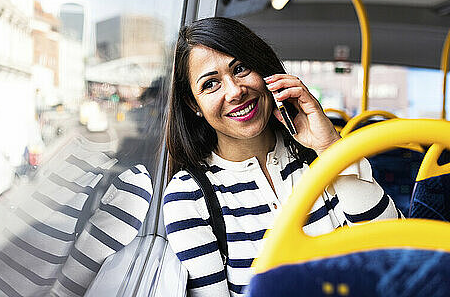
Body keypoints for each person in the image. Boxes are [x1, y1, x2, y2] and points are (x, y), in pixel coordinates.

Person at [162, 17, 401, 297]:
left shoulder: (318, 158)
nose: (235, 91)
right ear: (194, 104)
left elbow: (395, 252)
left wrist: (331, 149)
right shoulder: (189, 196)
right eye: (211, 84)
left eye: (240, 69)